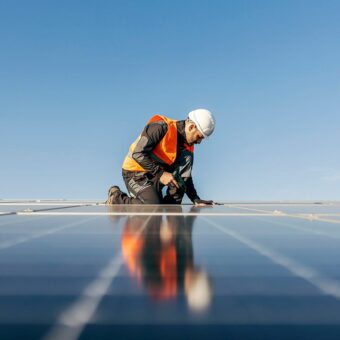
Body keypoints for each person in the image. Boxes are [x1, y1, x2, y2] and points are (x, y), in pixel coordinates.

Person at [106, 108, 215, 205]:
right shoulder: (160, 127)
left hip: (157, 176)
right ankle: (116, 197)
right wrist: (160, 174)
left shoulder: (189, 146)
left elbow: (185, 176)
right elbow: (137, 153)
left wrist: (195, 198)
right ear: (191, 127)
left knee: (179, 188)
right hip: (134, 172)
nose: (199, 142)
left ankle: (165, 218)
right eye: (199, 137)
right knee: (152, 205)